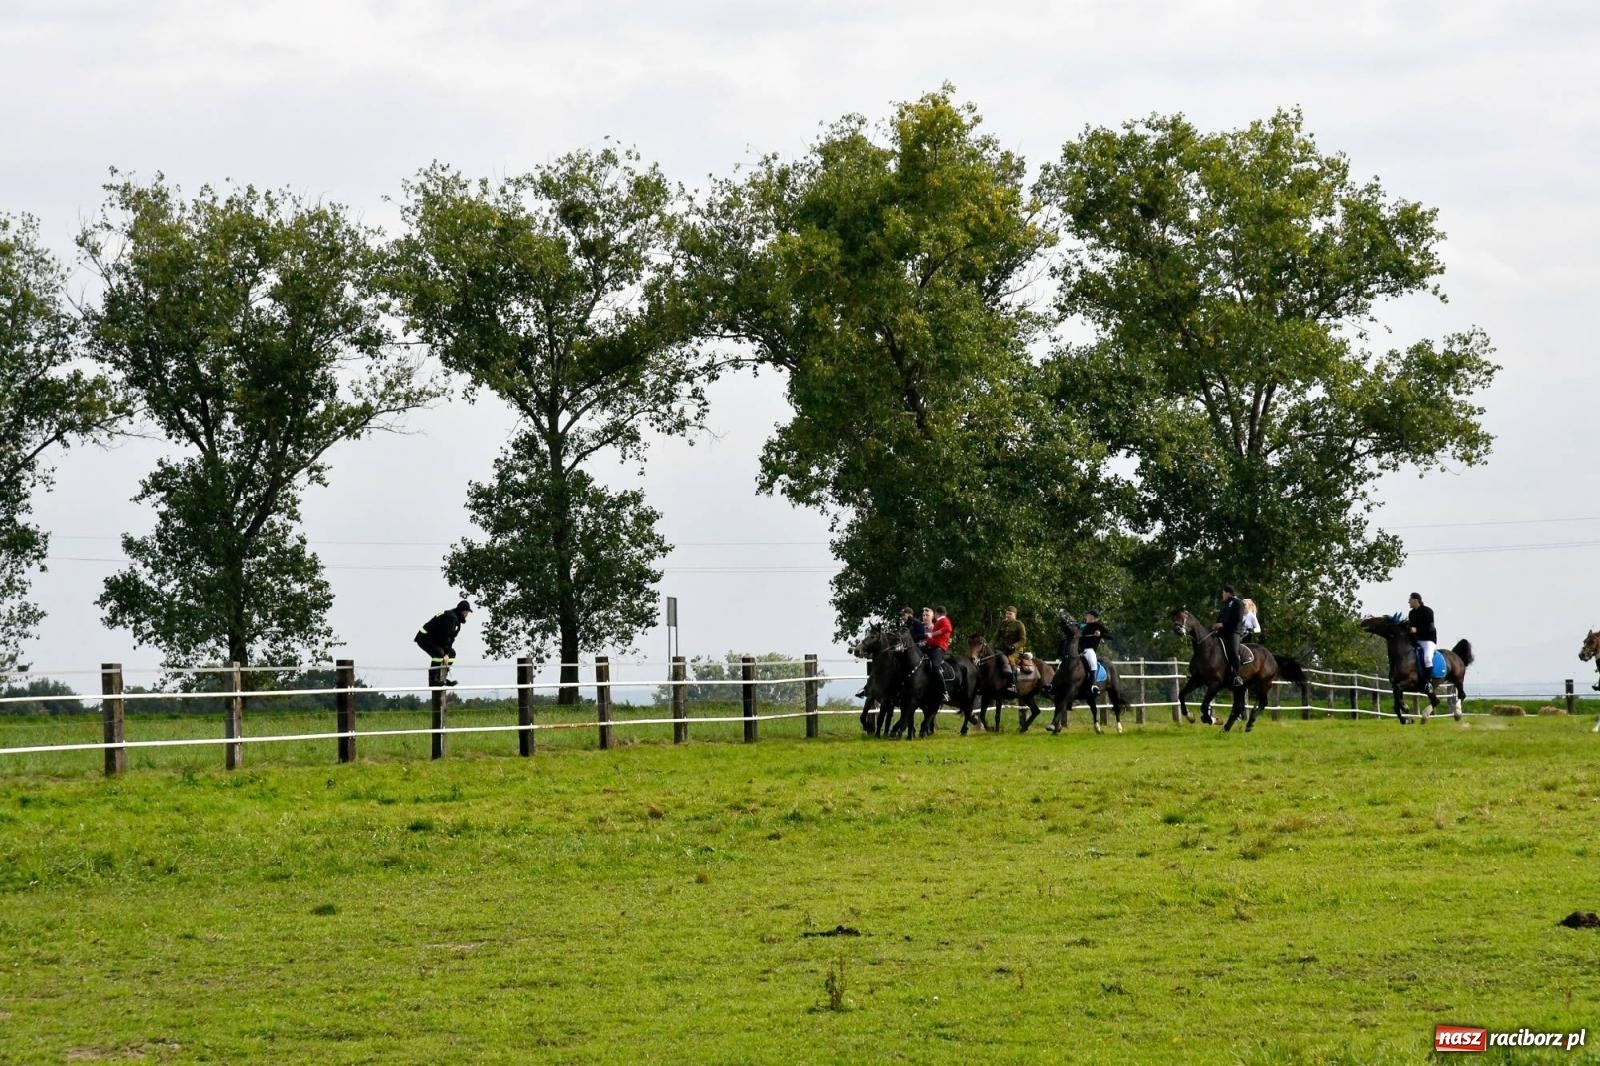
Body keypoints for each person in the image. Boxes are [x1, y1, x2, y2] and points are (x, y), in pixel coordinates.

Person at [416, 599, 472, 687]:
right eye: (467, 613)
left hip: (434, 638)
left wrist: (447, 652)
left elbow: (450, 638)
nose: (467, 615)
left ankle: (442, 678)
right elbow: (444, 637)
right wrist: (445, 654)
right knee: (439, 654)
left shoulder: (456, 620)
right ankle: (433, 681)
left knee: (452, 654)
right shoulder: (451, 618)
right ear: (463, 611)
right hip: (424, 637)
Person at [1211, 585, 1245, 688]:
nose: (1222, 594)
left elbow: (1237, 618)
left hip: (1233, 632)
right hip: (1222, 631)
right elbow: (1220, 617)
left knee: (1233, 651)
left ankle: (1237, 676)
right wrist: (1216, 625)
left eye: (1223, 592)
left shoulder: (1238, 603)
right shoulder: (1224, 604)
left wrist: (1223, 624)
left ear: (1228, 592)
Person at [1407, 592, 1437, 695]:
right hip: (1416, 640)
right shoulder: (1411, 613)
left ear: (1416, 600)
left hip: (1428, 640)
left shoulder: (1428, 611)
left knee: (1427, 658)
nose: (1408, 602)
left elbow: (1430, 628)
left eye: (1410, 600)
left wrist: (1417, 630)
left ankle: (1429, 683)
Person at [995, 605, 1027, 694]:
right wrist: (989, 645)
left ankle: (1012, 684)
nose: (1007, 615)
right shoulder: (1003, 623)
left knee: (1010, 660)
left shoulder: (1019, 624)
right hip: (1003, 649)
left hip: (1015, 650)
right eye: (1006, 614)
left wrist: (1014, 646)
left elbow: (1023, 640)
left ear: (1014, 615)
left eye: (1010, 614)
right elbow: (996, 637)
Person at [923, 605, 953, 698]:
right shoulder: (939, 621)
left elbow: (948, 629)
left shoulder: (944, 620)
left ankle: (944, 691)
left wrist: (932, 634)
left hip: (938, 649)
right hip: (931, 647)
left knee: (935, 666)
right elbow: (933, 638)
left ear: (937, 613)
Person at [1079, 609, 1110, 695]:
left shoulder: (1098, 626)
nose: (1086, 617)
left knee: (1093, 663)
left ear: (1092, 617)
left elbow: (1110, 636)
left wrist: (1100, 634)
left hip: (1089, 650)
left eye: (1088, 615)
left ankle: (1093, 685)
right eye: (1087, 615)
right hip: (1078, 650)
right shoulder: (1083, 626)